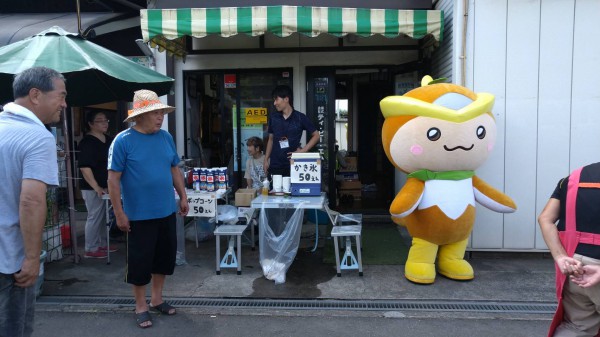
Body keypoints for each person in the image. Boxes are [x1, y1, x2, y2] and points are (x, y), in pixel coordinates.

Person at [107, 89, 189, 329]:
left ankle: (157, 299)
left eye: (161, 112)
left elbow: (174, 169)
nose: (160, 117)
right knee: (140, 261)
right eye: (155, 113)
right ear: (139, 116)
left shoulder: (165, 138)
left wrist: (183, 196)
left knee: (164, 257)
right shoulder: (123, 141)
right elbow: (113, 180)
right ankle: (141, 305)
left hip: (165, 210)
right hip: (138, 214)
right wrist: (119, 213)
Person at [0, 67, 67, 337]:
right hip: (8, 261)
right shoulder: (38, 137)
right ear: (35, 95)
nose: (64, 104)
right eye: (61, 96)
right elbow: (31, 200)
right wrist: (31, 258)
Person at [538, 162, 600, 337]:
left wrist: (561, 257)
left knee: (577, 327)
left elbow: (545, 219)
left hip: (575, 267)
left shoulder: (573, 178)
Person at [78, 111, 116, 258]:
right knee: (94, 215)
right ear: (91, 124)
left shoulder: (108, 139)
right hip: (91, 187)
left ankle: (102, 244)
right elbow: (84, 167)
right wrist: (96, 187)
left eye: (106, 120)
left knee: (104, 216)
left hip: (106, 186)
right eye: (100, 121)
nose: (104, 123)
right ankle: (91, 248)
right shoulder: (87, 142)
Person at [263, 85, 319, 178]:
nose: (274, 103)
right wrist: (266, 159)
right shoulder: (274, 117)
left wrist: (303, 151)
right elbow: (271, 140)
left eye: (276, 99)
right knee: (275, 191)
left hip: (294, 164)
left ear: (286, 99)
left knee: (293, 192)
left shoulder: (300, 117)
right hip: (275, 164)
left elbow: (316, 135)